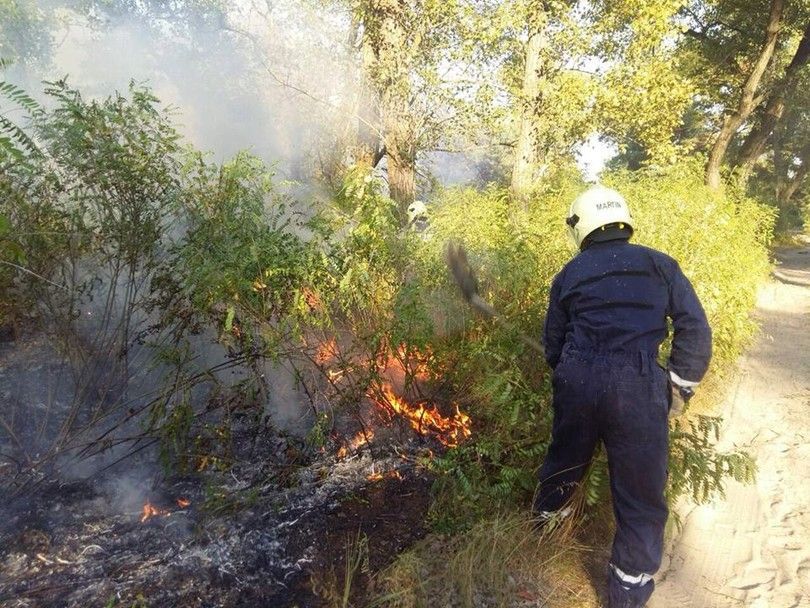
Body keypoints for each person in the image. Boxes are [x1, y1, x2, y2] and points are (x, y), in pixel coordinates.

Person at [534, 185, 712, 608]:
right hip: (637, 385)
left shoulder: (570, 274)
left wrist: (568, 369)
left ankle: (544, 535)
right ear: (622, 220)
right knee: (640, 491)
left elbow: (553, 343)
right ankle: (628, 592)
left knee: (564, 462)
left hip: (578, 381)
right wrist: (680, 386)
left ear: (582, 227)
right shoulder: (660, 265)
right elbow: (696, 329)